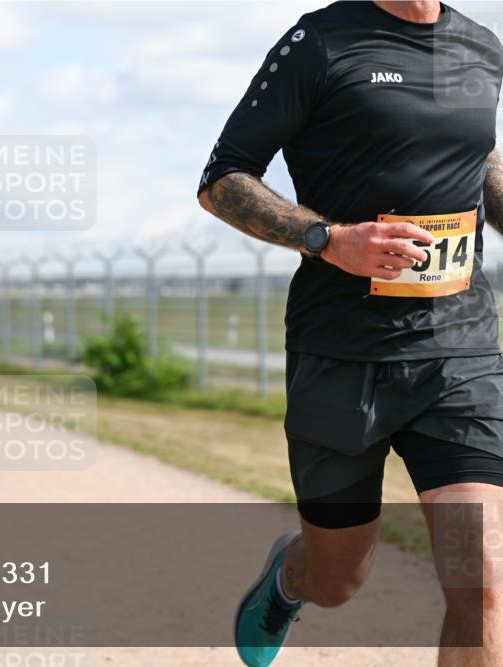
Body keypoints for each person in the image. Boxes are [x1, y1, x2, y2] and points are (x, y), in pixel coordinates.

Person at [197, 2, 503, 666]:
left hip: (459, 351)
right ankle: (290, 575)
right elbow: (223, 180)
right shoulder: (324, 40)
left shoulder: (480, 46)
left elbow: (474, 161)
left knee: (481, 580)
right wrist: (328, 239)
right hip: (341, 352)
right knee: (338, 578)